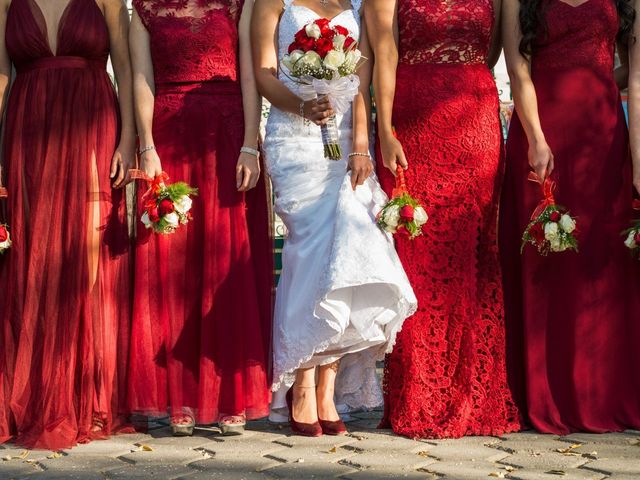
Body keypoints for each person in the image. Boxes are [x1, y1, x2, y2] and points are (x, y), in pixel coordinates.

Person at [252, 0, 416, 437]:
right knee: (309, 252)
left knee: (348, 251)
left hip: (344, 140)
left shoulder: (353, 6)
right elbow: (264, 73)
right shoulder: (275, 3)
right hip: (295, 135)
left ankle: (327, 388)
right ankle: (301, 384)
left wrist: (361, 145)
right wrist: (302, 106)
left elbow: (359, 82)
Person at [367, 0, 521, 439]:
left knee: (475, 257)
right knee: (417, 255)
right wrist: (386, 131)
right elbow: (385, 51)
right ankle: (422, 395)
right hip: (413, 120)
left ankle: (477, 396)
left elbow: (489, 53)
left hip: (475, 119)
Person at [127, 0, 273, 437]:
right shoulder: (145, 8)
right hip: (170, 134)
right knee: (174, 265)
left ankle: (230, 393)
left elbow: (250, 73)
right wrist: (146, 145)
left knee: (227, 262)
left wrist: (250, 142)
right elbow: (141, 77)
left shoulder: (238, 3)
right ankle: (181, 395)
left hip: (226, 133)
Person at [0, 0, 135, 449]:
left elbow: (127, 67)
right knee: (31, 253)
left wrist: (130, 139)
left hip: (91, 124)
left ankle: (85, 395)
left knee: (86, 251)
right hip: (28, 133)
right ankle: (33, 393)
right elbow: (0, 80)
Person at [500, 0, 640, 434]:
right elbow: (517, 69)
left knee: (602, 264)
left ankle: (605, 393)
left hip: (604, 138)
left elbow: (635, 75)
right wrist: (537, 138)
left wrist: (638, 157)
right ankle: (545, 396)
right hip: (542, 132)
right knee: (547, 264)